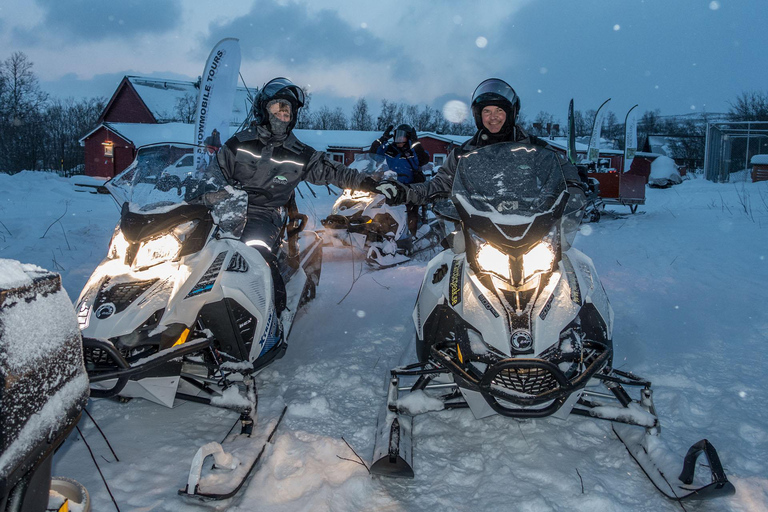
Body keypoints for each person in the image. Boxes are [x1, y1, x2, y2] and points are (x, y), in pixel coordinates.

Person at [216, 77, 377, 313]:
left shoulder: (299, 152)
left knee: (253, 254)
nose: (282, 115)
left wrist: (367, 182)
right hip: (227, 212)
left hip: (267, 215)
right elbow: (212, 175)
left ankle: (269, 313)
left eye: (287, 111)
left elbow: (332, 170)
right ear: (263, 109)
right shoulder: (237, 144)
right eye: (277, 108)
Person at [374, 78, 587, 247]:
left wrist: (574, 187)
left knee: (574, 271)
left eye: (499, 111)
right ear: (478, 115)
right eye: (487, 111)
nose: (493, 117)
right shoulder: (463, 153)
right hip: (479, 232)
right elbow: (438, 185)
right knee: (442, 273)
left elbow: (561, 169)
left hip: (533, 229)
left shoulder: (536, 148)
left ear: (511, 113)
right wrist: (406, 192)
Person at [369, 124, 429, 237]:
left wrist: (415, 142)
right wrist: (382, 138)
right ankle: (385, 234)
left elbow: (424, 159)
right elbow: (374, 154)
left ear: (408, 137)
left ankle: (412, 236)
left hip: (410, 187)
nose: (399, 140)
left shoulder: (413, 150)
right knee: (382, 208)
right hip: (392, 185)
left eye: (402, 137)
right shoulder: (390, 149)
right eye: (397, 136)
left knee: (411, 211)